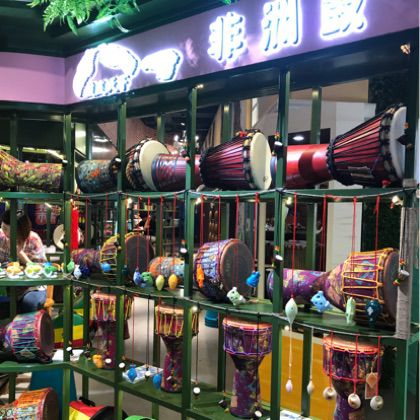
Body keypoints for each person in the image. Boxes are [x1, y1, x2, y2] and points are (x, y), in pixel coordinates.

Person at [0, 209, 47, 313]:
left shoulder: (33, 239)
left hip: (32, 288)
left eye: (6, 229)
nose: (3, 231)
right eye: (2, 227)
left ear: (19, 230)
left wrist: (20, 253)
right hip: (6, 289)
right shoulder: (1, 237)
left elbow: (43, 271)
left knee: (29, 303)